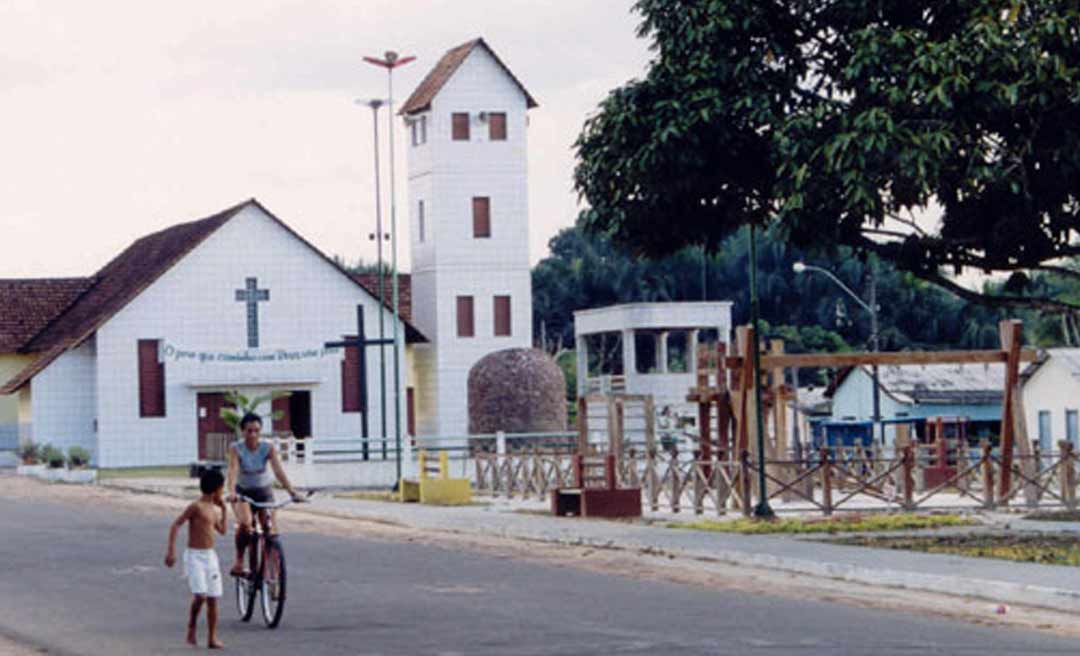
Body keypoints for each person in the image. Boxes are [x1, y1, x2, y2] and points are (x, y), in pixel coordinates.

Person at [225, 411, 303, 577]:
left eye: (256, 431)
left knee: (270, 529)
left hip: (264, 492)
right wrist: (231, 491)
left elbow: (278, 470)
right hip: (243, 493)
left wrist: (292, 491)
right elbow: (233, 470)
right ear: (242, 431)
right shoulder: (236, 448)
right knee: (246, 524)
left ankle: (272, 567)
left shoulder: (268, 448)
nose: (253, 434)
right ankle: (239, 560)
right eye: (249, 431)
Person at [164, 468, 227, 649]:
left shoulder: (214, 509)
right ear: (216, 489)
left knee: (214, 598)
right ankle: (191, 625)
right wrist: (171, 551)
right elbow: (176, 524)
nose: (222, 493)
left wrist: (223, 509)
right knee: (200, 596)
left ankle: (212, 637)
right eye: (222, 489)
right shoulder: (196, 507)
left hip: (210, 556)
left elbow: (222, 531)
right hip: (195, 556)